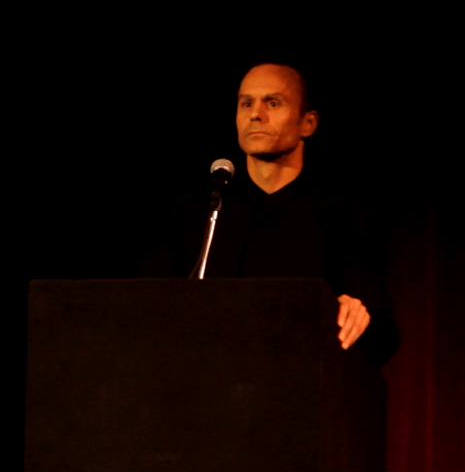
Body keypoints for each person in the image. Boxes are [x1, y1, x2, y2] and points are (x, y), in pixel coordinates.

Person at [141, 61, 399, 367]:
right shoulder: (201, 211)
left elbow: (384, 335)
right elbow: (145, 306)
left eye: (273, 103)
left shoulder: (340, 216)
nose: (256, 114)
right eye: (246, 103)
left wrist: (356, 316)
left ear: (309, 123)